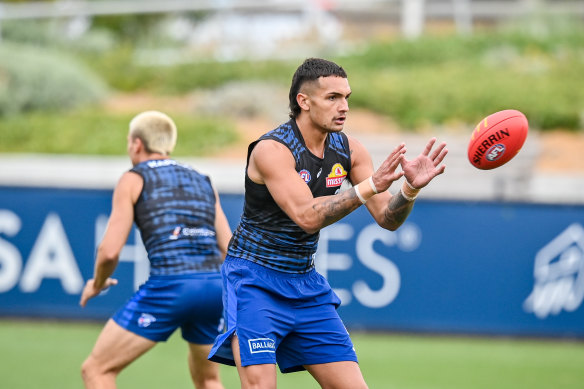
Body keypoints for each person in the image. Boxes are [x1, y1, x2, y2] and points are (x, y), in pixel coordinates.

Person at [208, 58, 448, 388]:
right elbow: (307, 216)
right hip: (254, 281)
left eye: (347, 97)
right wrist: (370, 186)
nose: (344, 107)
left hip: (305, 285)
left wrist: (409, 190)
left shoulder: (350, 149)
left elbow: (387, 218)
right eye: (333, 97)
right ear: (303, 102)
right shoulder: (272, 150)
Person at [79, 110, 231, 389]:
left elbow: (110, 251)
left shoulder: (134, 178)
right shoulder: (203, 179)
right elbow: (229, 247)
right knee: (209, 379)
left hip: (172, 286)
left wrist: (97, 283)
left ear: (136, 144)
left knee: (96, 370)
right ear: (167, 145)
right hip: (214, 288)